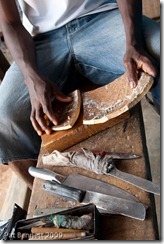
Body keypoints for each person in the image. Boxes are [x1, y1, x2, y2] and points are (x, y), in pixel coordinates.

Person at [0, 0, 160, 190]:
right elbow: (10, 22)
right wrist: (31, 76)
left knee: (159, 51)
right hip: (43, 40)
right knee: (6, 118)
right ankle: (59, 198)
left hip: (101, 16)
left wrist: (134, 43)